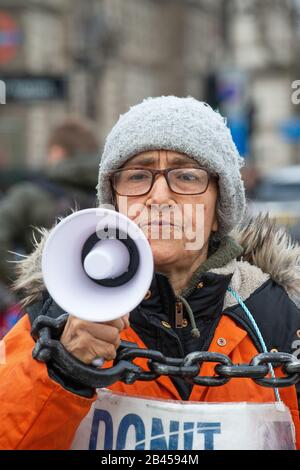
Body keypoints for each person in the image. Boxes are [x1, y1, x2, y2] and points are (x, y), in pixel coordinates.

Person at [0, 96, 300, 450]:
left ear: (220, 208)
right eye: (138, 175)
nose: (159, 197)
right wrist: (63, 368)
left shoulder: (278, 319)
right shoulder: (55, 315)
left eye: (187, 176)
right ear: (115, 203)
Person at [0, 118, 100, 332]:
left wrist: (26, 287)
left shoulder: (29, 194)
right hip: (101, 312)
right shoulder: (113, 192)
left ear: (56, 152)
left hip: (39, 316)